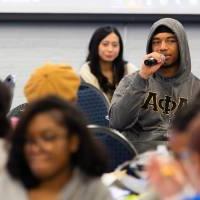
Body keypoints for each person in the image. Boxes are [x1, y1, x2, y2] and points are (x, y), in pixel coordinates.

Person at [109, 18, 200, 153]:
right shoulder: (132, 81)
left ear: (182, 46)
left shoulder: (196, 88)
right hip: (139, 155)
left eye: (171, 41)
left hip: (182, 158)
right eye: (156, 42)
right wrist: (142, 77)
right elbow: (117, 122)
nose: (163, 47)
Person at [0, 96, 113, 200]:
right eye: (29, 140)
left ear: (73, 142)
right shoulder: (6, 186)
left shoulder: (94, 192)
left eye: (48, 137)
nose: (35, 148)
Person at [80, 26, 137, 102]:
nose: (110, 49)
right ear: (95, 45)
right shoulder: (86, 71)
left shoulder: (129, 69)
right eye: (105, 44)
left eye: (115, 45)